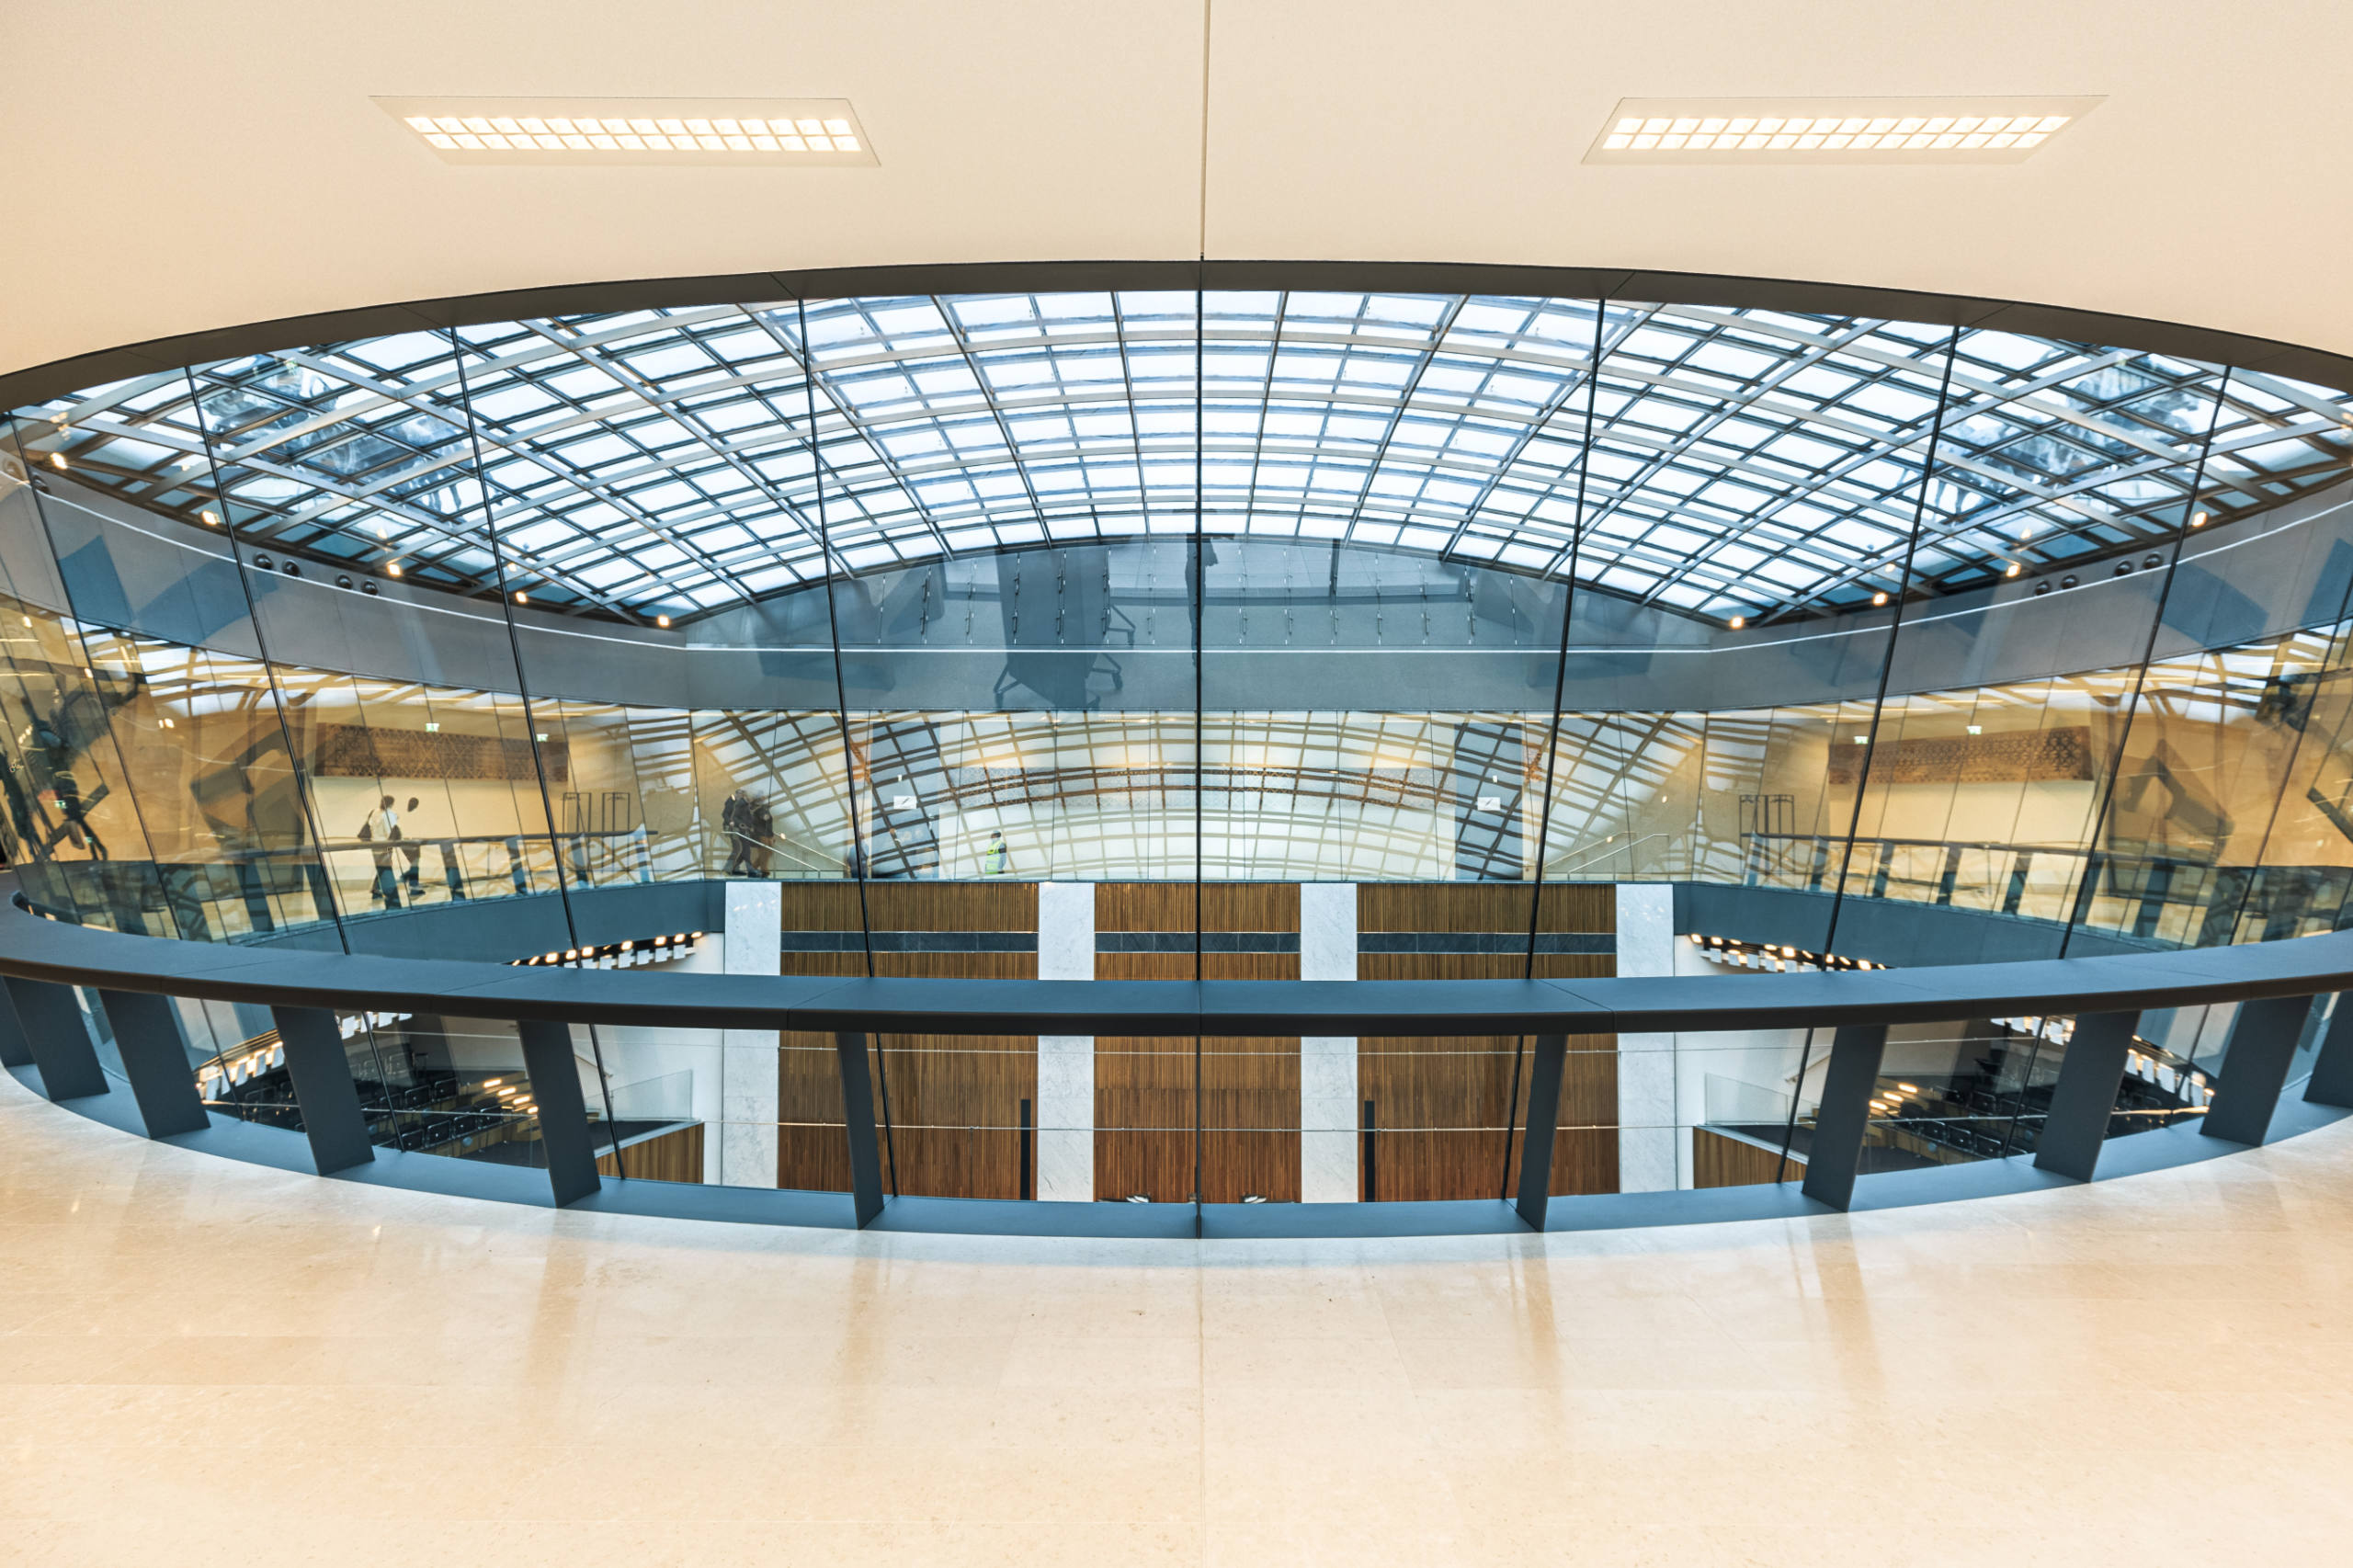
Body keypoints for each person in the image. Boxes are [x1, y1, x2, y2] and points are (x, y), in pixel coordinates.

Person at [361, 794, 401, 906]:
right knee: (385, 868)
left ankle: (376, 890)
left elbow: (371, 825)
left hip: (374, 844)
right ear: (392, 804)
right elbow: (389, 833)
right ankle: (377, 889)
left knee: (381, 867)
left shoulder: (374, 812)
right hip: (385, 845)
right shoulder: (389, 815)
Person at [399, 797, 426, 899]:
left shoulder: (403, 815)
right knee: (415, 865)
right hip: (413, 843)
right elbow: (419, 829)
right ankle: (412, 884)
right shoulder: (417, 815)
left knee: (414, 864)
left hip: (404, 843)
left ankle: (409, 881)